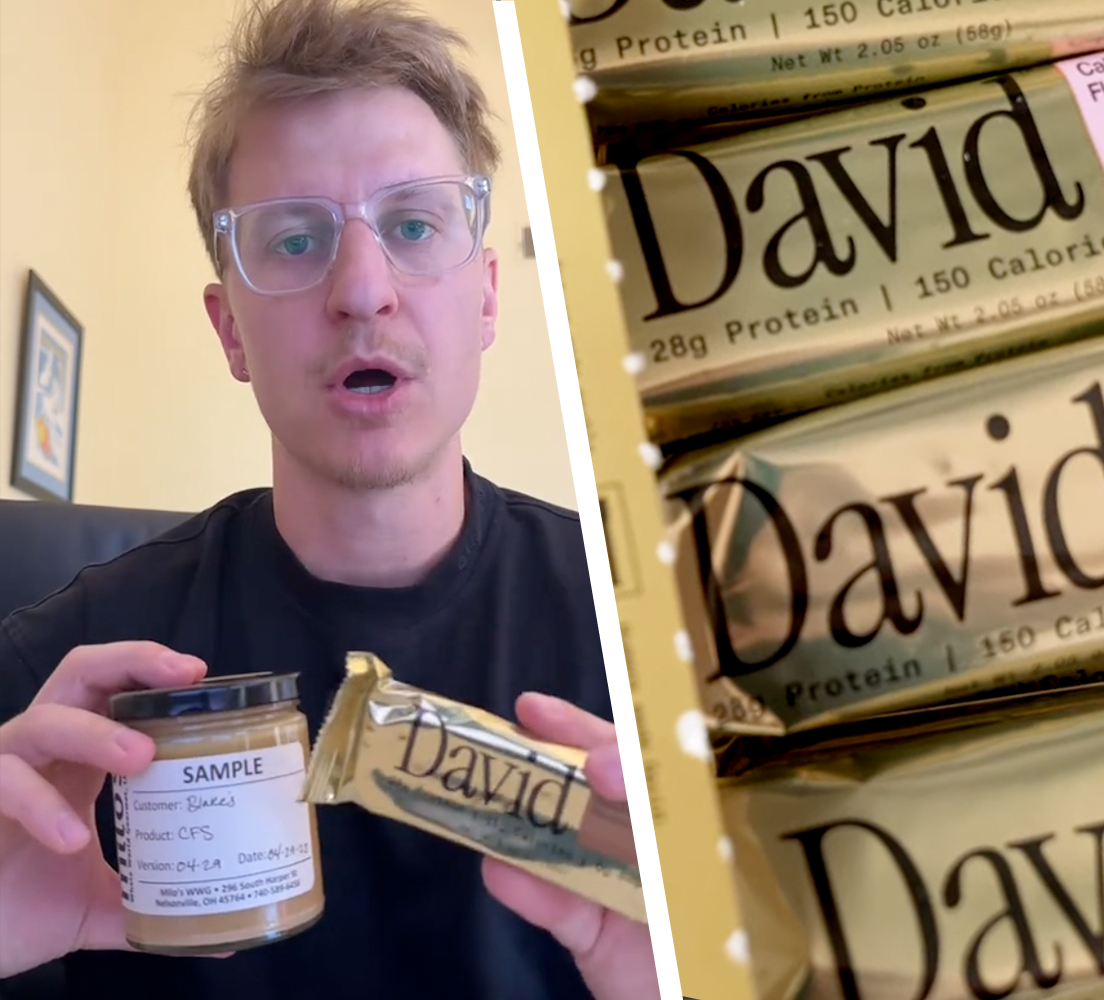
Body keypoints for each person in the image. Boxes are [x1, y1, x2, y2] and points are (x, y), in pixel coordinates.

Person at [0, 1, 660, 997]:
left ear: (487, 295)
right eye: (296, 240)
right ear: (230, 331)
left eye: (413, 224)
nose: (361, 289)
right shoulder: (62, 680)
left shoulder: (659, 637)